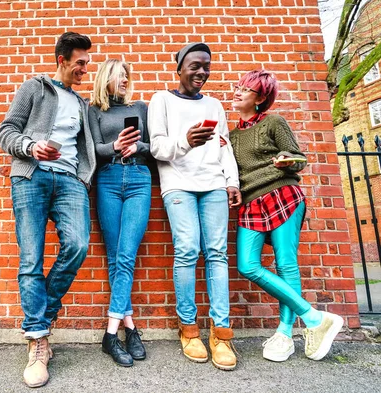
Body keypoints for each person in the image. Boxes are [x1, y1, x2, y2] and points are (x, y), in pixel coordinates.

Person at [0, 32, 95, 388]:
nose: (86, 68)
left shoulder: (84, 104)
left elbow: (92, 145)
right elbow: (5, 131)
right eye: (80, 62)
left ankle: (42, 316)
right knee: (31, 260)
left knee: (78, 245)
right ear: (62, 60)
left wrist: (85, 176)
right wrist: (31, 146)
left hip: (70, 181)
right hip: (32, 176)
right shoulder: (35, 87)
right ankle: (39, 341)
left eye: (87, 62)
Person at [228, 69, 344, 362]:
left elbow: (298, 159)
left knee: (286, 263)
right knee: (247, 264)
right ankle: (315, 319)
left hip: (282, 195)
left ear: (261, 98)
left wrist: (285, 161)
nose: (238, 91)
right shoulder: (230, 136)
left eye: (246, 89)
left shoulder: (274, 122)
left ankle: (284, 334)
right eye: (238, 86)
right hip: (251, 203)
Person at [148, 43, 242, 371]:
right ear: (179, 68)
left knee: (217, 252)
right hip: (178, 184)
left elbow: (225, 146)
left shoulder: (215, 104)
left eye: (206, 66)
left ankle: (221, 333)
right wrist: (186, 141)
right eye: (195, 66)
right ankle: (188, 329)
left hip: (214, 184)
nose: (202, 72)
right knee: (187, 250)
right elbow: (157, 147)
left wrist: (232, 181)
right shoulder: (161, 99)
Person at [88, 59, 152, 367]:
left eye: (127, 76)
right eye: (119, 75)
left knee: (126, 255)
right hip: (109, 180)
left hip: (139, 179)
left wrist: (137, 147)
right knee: (116, 259)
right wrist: (115, 145)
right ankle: (131, 327)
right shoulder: (94, 111)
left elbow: (156, 147)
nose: (125, 80)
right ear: (106, 79)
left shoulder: (141, 107)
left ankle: (110, 333)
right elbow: (93, 149)